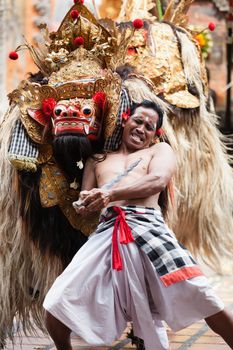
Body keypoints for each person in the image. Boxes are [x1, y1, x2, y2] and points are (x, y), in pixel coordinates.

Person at [43, 100, 233, 350]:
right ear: (125, 120)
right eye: (138, 121)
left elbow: (157, 180)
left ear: (156, 134)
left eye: (149, 126)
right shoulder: (97, 159)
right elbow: (85, 203)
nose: (142, 128)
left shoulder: (159, 151)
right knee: (56, 303)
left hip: (150, 231)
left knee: (206, 299)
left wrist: (110, 194)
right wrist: (84, 203)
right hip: (107, 235)